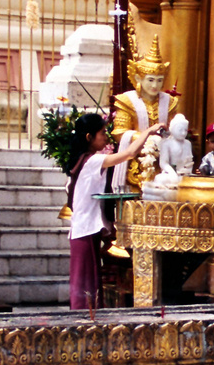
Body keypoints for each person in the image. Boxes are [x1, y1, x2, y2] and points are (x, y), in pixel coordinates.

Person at [66, 114, 163, 310]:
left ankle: (89, 319)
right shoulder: (92, 160)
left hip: (86, 227)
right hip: (84, 228)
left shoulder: (84, 160)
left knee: (90, 281)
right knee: (85, 283)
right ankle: (83, 321)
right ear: (88, 137)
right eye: (102, 133)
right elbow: (128, 154)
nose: (106, 137)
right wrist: (148, 131)